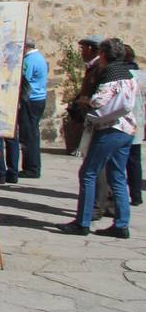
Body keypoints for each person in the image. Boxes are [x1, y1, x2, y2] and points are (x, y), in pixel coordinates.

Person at [61, 37, 138, 238]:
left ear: (103, 54)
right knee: (118, 176)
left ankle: (83, 222)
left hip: (110, 129)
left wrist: (84, 101)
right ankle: (121, 224)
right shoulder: (129, 74)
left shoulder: (111, 76)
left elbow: (98, 101)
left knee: (88, 173)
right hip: (126, 129)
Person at [16, 39, 49, 179]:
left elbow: (23, 80)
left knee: (28, 135)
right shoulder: (39, 57)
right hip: (39, 99)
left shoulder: (29, 60)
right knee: (32, 133)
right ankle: (32, 166)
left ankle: (31, 168)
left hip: (31, 100)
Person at [126, 45, 144, 207]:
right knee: (135, 160)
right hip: (139, 120)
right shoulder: (142, 75)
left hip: (125, 121)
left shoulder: (124, 75)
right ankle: (136, 195)